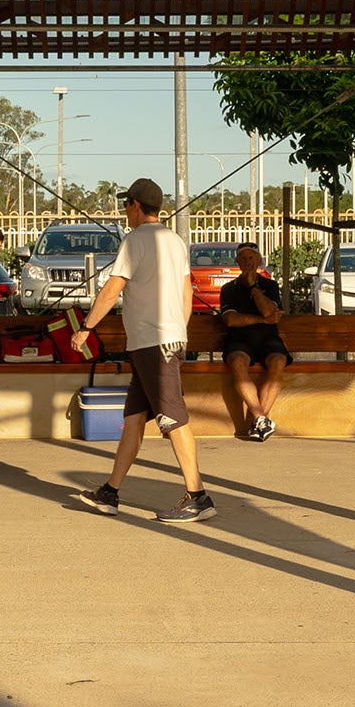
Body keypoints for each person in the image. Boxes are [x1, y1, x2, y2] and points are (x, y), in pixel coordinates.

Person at [78, 178, 212, 522]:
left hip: (154, 344)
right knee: (135, 418)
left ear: (136, 206)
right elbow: (186, 294)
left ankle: (198, 496)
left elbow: (111, 290)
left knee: (173, 418)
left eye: (126, 205)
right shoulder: (175, 240)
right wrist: (179, 333)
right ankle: (110, 492)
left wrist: (86, 328)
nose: (125, 211)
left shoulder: (135, 240)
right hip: (157, 342)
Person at [214, 241, 291, 441]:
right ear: (237, 262)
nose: (247, 262)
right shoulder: (228, 289)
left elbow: (269, 310)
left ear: (258, 261)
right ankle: (260, 418)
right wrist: (261, 319)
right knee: (238, 361)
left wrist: (254, 287)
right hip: (240, 338)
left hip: (268, 338)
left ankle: (259, 422)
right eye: (243, 259)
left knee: (278, 361)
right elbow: (231, 320)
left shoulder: (270, 286)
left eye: (251, 258)